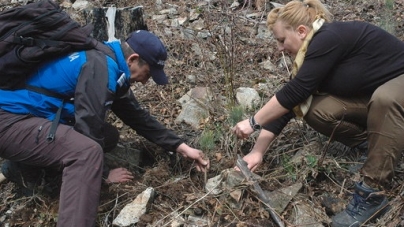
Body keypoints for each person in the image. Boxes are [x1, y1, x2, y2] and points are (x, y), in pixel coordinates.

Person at [0, 30, 210, 227]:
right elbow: (88, 130)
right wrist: (103, 174)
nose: (145, 82)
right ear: (133, 59)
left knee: (108, 136)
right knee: (86, 154)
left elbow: (136, 116)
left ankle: (23, 167)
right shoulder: (100, 68)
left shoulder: (107, 61)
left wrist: (180, 146)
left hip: (30, 120)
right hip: (9, 122)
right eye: (147, 74)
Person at [232, 0, 404, 226]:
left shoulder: (328, 38)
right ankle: (375, 149)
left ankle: (372, 194)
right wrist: (257, 151)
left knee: (385, 98)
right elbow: (290, 103)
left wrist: (253, 122)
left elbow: (295, 91)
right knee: (315, 109)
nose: (280, 48)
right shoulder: (309, 55)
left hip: (397, 91)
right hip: (377, 105)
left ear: (301, 31)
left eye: (281, 40)